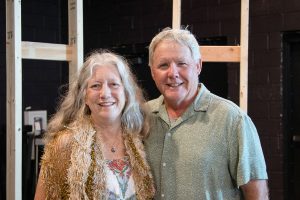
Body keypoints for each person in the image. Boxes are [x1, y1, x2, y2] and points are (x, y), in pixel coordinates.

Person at [144, 27, 269, 199]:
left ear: (198, 66)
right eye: (163, 65)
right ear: (152, 72)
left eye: (182, 63)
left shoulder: (232, 119)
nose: (173, 73)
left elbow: (257, 193)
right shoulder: (142, 117)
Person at [34, 50, 155, 199]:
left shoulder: (141, 138)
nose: (105, 93)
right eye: (96, 86)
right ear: (84, 96)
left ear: (126, 93)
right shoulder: (65, 144)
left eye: (114, 84)